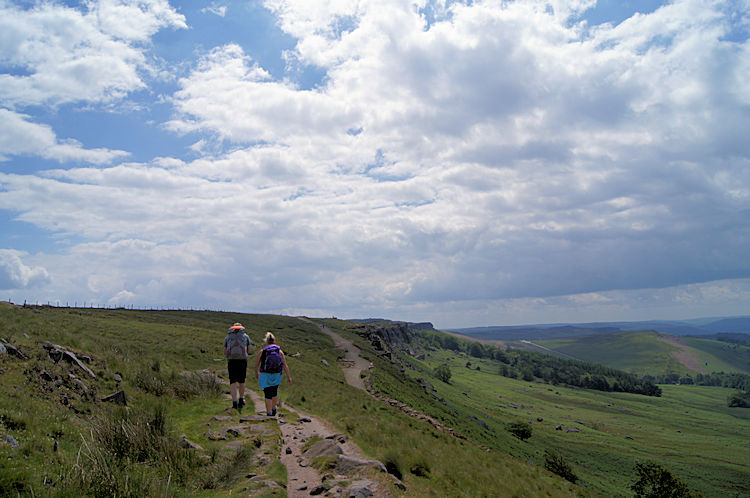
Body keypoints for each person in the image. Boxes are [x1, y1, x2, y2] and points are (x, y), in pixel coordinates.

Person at [255, 332, 292, 416]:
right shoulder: (279, 351)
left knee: (267, 394)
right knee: (274, 391)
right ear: (274, 341)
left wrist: (256, 373)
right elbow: (285, 365)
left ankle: (269, 412)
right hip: (277, 374)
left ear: (266, 341)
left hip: (265, 375)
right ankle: (274, 407)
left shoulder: (262, 351)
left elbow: (256, 364)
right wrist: (289, 377)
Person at [223, 323, 252, 411]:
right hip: (242, 360)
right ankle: (241, 399)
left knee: (233, 381)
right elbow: (249, 349)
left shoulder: (228, 337)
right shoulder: (246, 336)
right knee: (242, 380)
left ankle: (234, 402)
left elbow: (225, 350)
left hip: (231, 361)